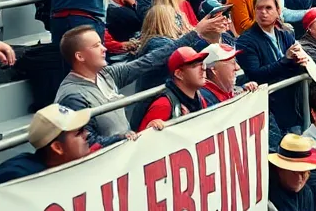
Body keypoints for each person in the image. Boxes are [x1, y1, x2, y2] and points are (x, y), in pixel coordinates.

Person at [55, 16, 217, 144]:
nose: (104, 49)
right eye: (96, 46)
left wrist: (194, 34)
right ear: (79, 56)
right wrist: (122, 139)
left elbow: (150, 61)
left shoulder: (107, 74)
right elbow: (85, 144)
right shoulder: (72, 95)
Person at [0, 105, 104, 191]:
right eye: (79, 132)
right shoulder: (17, 178)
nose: (87, 134)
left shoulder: (66, 163)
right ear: (57, 147)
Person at [235, 0, 310, 131]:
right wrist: (285, 60)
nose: (263, 12)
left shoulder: (285, 34)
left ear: (278, 11)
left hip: (293, 102)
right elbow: (255, 74)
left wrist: (300, 61)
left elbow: (293, 65)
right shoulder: (246, 41)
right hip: (269, 109)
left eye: (268, 8)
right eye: (259, 8)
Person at [138, 47, 208, 130]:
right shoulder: (163, 105)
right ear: (179, 74)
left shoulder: (199, 97)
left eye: (202, 64)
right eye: (195, 66)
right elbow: (142, 140)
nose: (203, 69)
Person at [267, 133, 316, 211]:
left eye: (303, 173)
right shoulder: (267, 192)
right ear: (280, 169)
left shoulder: (307, 192)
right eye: (294, 172)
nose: (300, 178)